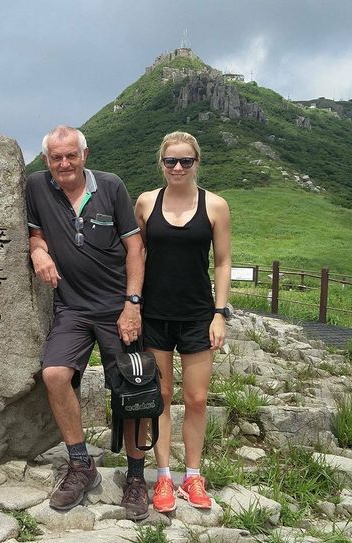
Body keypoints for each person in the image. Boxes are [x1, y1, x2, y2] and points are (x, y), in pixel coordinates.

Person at [25, 125, 150, 520]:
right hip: (72, 308)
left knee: (136, 386)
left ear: (85, 155)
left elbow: (135, 247)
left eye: (70, 155)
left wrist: (132, 304)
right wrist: (39, 251)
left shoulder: (111, 187)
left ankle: (135, 477)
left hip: (116, 307)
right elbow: (35, 234)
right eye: (56, 157)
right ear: (47, 160)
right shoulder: (37, 187)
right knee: (55, 374)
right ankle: (80, 464)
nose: (64, 163)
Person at [133, 131, 231, 513]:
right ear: (161, 163)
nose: (177, 167)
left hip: (196, 316)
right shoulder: (145, 203)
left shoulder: (216, 206)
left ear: (196, 163)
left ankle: (192, 475)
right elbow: (136, 256)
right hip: (154, 314)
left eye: (185, 161)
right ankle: (162, 478)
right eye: (170, 161)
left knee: (196, 398)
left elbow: (222, 262)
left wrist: (220, 314)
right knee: (160, 397)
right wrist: (132, 305)